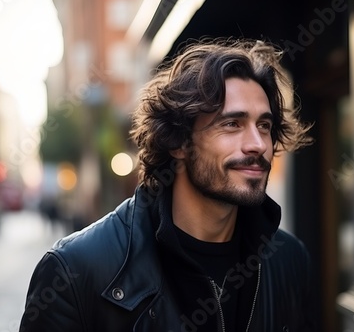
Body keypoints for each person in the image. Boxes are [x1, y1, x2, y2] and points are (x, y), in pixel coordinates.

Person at [20, 38, 314, 332]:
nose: (258, 144)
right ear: (179, 143)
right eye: (232, 124)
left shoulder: (288, 260)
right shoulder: (75, 272)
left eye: (264, 125)